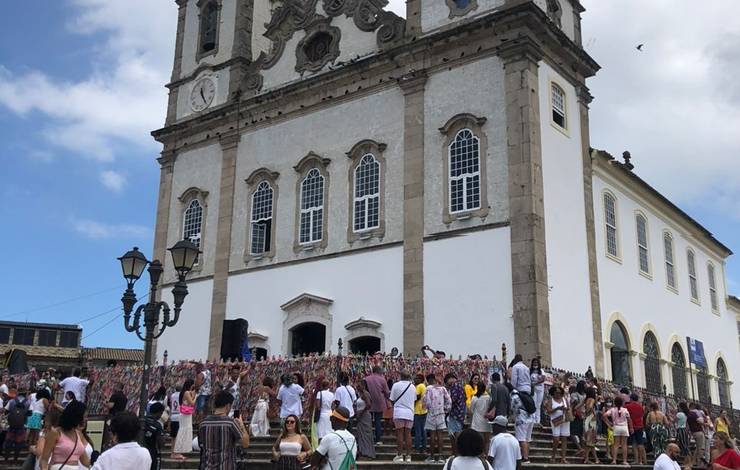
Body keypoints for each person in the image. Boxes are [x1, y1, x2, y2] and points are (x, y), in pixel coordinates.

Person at [197, 390, 250, 470]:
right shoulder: (230, 423)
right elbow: (245, 443)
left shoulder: (203, 424)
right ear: (228, 406)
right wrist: (241, 425)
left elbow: (201, 445)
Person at [40, 401, 92, 470]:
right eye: (85, 417)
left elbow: (86, 462)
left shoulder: (78, 434)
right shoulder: (56, 433)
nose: (86, 419)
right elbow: (44, 459)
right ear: (77, 417)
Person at [423, 373, 451, 463]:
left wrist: (429, 409)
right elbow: (449, 401)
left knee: (432, 436)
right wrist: (445, 409)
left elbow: (426, 402)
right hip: (441, 414)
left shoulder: (428, 389)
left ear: (429, 380)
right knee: (440, 436)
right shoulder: (443, 389)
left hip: (431, 415)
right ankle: (441, 457)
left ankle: (431, 457)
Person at [389, 370, 415, 462]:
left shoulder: (396, 385)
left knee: (399, 434)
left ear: (400, 376)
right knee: (408, 434)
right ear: (409, 377)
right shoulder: (412, 387)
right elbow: (414, 399)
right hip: (409, 412)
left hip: (399, 412)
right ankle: (408, 456)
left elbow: (391, 399)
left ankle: (399, 455)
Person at [510, 384, 536, 464]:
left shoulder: (514, 397)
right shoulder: (524, 395)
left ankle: (525, 458)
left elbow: (513, 408)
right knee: (527, 439)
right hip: (531, 418)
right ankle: (526, 456)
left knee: (521, 439)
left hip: (522, 419)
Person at [364, 366, 389, 445]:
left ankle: (368, 439)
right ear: (379, 371)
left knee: (368, 421)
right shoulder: (382, 379)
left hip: (368, 402)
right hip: (379, 402)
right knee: (378, 421)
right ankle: (378, 439)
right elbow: (387, 392)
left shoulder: (366, 379)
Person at [544, 385, 570, 464]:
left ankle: (563, 458)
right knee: (556, 439)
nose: (558, 394)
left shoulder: (564, 399)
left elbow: (569, 408)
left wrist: (566, 409)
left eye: (559, 392)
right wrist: (557, 408)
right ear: (553, 393)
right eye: (556, 393)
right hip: (555, 421)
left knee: (564, 439)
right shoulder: (550, 400)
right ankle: (553, 456)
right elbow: (548, 411)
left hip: (564, 420)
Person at [172, 378, 196, 461]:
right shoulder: (186, 392)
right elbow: (192, 403)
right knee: (182, 431)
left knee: (184, 431)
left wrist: (193, 394)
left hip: (186, 414)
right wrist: (196, 396)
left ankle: (178, 451)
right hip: (185, 415)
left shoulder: (186, 392)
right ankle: (176, 452)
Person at [604, 396, 633, 466]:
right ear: (622, 403)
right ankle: (625, 460)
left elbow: (604, 415)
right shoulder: (625, 410)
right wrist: (631, 428)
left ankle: (614, 460)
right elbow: (629, 419)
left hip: (616, 427)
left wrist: (609, 423)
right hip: (624, 427)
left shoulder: (612, 410)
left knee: (615, 445)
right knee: (624, 445)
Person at [4, 389, 29, 463]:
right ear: (25, 394)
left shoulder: (11, 401)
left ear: (18, 393)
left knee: (8, 442)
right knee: (19, 443)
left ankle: (6, 459)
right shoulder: (28, 402)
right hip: (21, 426)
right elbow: (30, 413)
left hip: (11, 426)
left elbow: (6, 411)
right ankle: (15, 459)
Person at [354, 380, 376, 459]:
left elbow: (369, 405)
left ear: (363, 386)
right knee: (361, 434)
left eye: (359, 386)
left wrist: (362, 412)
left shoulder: (365, 394)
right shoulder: (360, 394)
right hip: (360, 416)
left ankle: (367, 452)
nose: (357, 387)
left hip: (364, 416)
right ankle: (363, 451)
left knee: (366, 434)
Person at [446, 373, 466, 457]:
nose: (447, 383)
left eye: (447, 380)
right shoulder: (461, 386)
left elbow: (452, 400)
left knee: (454, 434)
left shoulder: (454, 386)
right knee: (456, 433)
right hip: (460, 413)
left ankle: (456, 453)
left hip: (454, 414)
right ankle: (456, 453)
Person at [624, 392, 646, 465]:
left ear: (631, 399)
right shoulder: (640, 407)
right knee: (640, 443)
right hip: (640, 426)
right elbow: (642, 415)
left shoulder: (627, 406)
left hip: (632, 427)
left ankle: (636, 459)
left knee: (633, 443)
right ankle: (641, 461)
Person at [143, 402, 165, 470]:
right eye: (161, 413)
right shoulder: (157, 425)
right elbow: (160, 442)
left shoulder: (142, 421)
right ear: (159, 413)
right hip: (152, 453)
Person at [582, 387, 599, 464]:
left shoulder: (585, 400)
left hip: (586, 420)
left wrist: (585, 412)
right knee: (590, 441)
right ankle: (587, 459)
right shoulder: (592, 399)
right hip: (591, 420)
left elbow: (577, 407)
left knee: (589, 441)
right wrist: (593, 412)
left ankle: (596, 459)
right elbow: (590, 406)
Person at [412, 374, 427, 456]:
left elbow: (416, 397)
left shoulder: (419, 386)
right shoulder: (424, 386)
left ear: (421, 379)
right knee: (423, 431)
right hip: (423, 411)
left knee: (418, 431)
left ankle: (417, 448)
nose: (415, 379)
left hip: (418, 411)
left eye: (417, 378)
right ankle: (424, 448)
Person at [688, 403, 707, 467]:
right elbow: (700, 421)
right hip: (698, 432)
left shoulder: (688, 414)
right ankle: (699, 462)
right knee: (701, 448)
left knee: (697, 448)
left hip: (694, 432)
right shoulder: (694, 413)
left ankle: (694, 462)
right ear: (693, 407)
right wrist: (705, 423)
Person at [529, 358, 545, 425]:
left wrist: (535, 383)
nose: (535, 364)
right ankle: (533, 419)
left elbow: (543, 379)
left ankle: (538, 420)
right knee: (534, 404)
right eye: (534, 362)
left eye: (536, 362)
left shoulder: (541, 371)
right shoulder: (530, 371)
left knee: (538, 405)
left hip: (540, 390)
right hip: (533, 390)